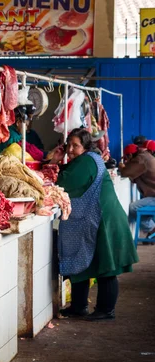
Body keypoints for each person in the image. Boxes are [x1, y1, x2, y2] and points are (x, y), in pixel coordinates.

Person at [51, 129, 137, 321]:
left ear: (86, 146)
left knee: (106, 266)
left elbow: (64, 182)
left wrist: (53, 163)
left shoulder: (87, 161)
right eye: (69, 145)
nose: (71, 149)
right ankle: (79, 306)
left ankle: (106, 310)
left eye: (76, 145)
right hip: (93, 218)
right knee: (81, 262)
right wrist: (57, 160)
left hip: (103, 219)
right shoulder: (87, 159)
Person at [120, 142, 155, 236]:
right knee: (139, 206)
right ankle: (130, 234)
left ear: (130, 155)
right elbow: (135, 177)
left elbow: (125, 172)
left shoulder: (141, 159)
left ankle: (152, 229)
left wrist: (121, 166)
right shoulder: (146, 156)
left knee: (133, 207)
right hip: (152, 196)